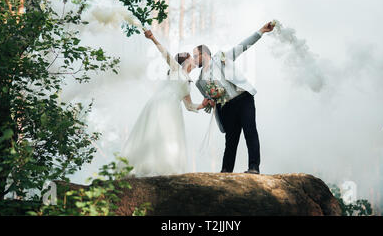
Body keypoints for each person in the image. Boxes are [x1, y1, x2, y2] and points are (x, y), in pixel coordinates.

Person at [118, 29, 211, 176]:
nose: (194, 60)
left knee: (169, 138)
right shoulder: (175, 70)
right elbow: (165, 53)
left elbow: (189, 106)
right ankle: (143, 168)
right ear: (185, 61)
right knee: (156, 133)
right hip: (161, 104)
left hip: (174, 109)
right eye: (192, 58)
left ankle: (164, 170)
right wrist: (153, 38)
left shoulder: (188, 83)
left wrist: (203, 104)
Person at [193, 22, 275, 174]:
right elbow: (209, 99)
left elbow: (242, 46)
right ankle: (226, 171)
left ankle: (254, 167)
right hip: (225, 108)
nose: (193, 58)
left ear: (204, 54)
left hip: (243, 99)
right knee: (231, 140)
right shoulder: (199, 82)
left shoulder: (221, 57)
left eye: (195, 55)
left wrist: (261, 31)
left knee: (250, 132)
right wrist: (210, 99)